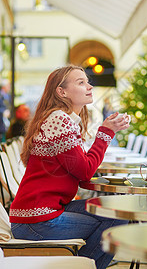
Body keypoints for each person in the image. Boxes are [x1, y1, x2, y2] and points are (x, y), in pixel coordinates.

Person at [9, 65, 130, 269]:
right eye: (80, 82)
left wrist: (105, 133)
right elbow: (84, 171)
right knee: (116, 220)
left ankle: (81, 264)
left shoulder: (63, 119)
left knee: (116, 212)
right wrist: (105, 133)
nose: (89, 86)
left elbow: (81, 174)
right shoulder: (59, 119)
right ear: (61, 92)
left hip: (39, 214)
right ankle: (81, 265)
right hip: (35, 221)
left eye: (87, 81)